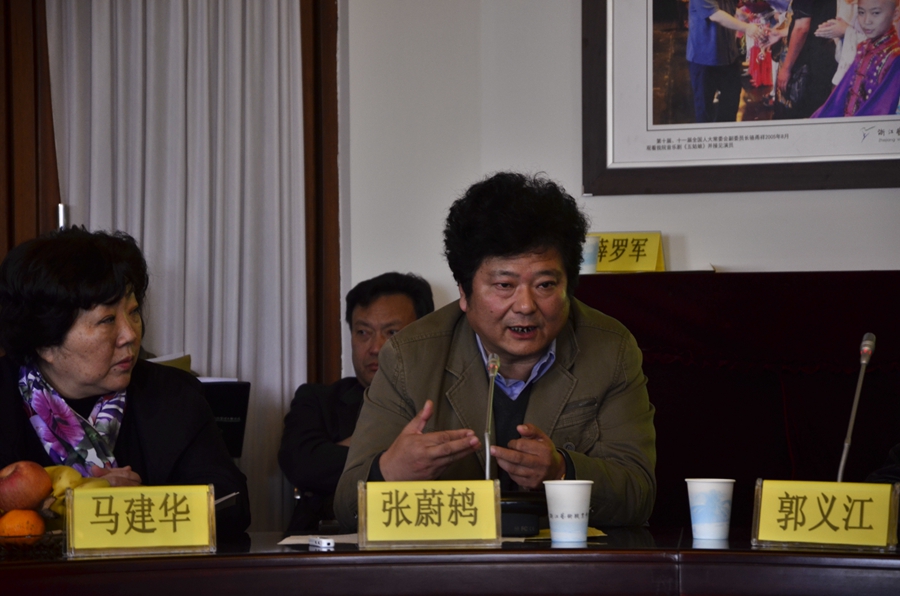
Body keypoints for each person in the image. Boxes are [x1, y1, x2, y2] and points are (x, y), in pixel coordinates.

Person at [334, 172, 657, 531]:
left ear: (568, 286)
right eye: (504, 285)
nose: (526, 305)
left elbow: (638, 495)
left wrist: (561, 471)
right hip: (451, 561)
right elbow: (346, 505)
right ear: (464, 291)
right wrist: (390, 472)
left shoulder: (610, 350)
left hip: (563, 560)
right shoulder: (409, 357)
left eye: (545, 285)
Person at [0, 228, 250, 536]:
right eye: (107, 320)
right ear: (45, 343)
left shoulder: (173, 394)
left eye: (133, 313)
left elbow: (233, 504)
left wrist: (136, 504)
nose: (130, 334)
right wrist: (80, 502)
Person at [278, 272, 434, 534]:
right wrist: (396, 456)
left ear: (425, 334)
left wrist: (349, 449)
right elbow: (302, 464)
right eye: (363, 332)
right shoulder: (318, 400)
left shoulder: (446, 399)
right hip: (329, 543)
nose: (375, 348)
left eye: (392, 332)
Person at [812, 0, 900, 117]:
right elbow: (839, 98)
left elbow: (881, 111)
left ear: (895, 14)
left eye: (876, 13)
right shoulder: (863, 48)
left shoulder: (895, 58)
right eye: (861, 12)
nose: (866, 21)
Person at [687, 0, 766, 122]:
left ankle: (726, 132)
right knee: (704, 110)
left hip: (729, 56)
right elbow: (714, 14)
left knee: (730, 105)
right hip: (704, 58)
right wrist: (747, 28)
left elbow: (728, 6)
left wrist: (742, 14)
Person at [772, 0, 838, 119]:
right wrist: (781, 33)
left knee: (796, 113)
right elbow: (814, 21)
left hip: (807, 61)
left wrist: (786, 68)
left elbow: (802, 28)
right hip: (823, 54)